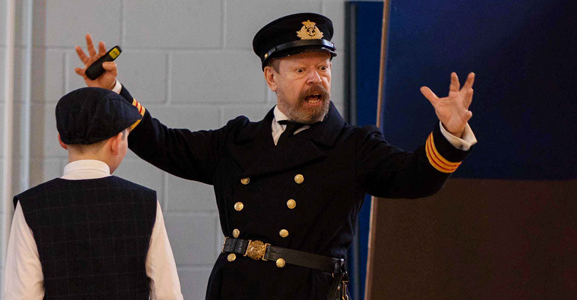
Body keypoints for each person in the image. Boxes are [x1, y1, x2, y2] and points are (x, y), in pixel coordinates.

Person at [74, 12, 477, 300]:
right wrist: (115, 92)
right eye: (301, 70)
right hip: (235, 289)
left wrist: (450, 133)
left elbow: (414, 177)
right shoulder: (237, 140)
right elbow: (166, 144)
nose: (316, 78)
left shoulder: (353, 146)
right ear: (272, 78)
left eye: (323, 67)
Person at [3, 87, 184, 300]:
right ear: (117, 141)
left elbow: (21, 295)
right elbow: (168, 293)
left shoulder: (31, 205)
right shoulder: (144, 203)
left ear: (62, 140)